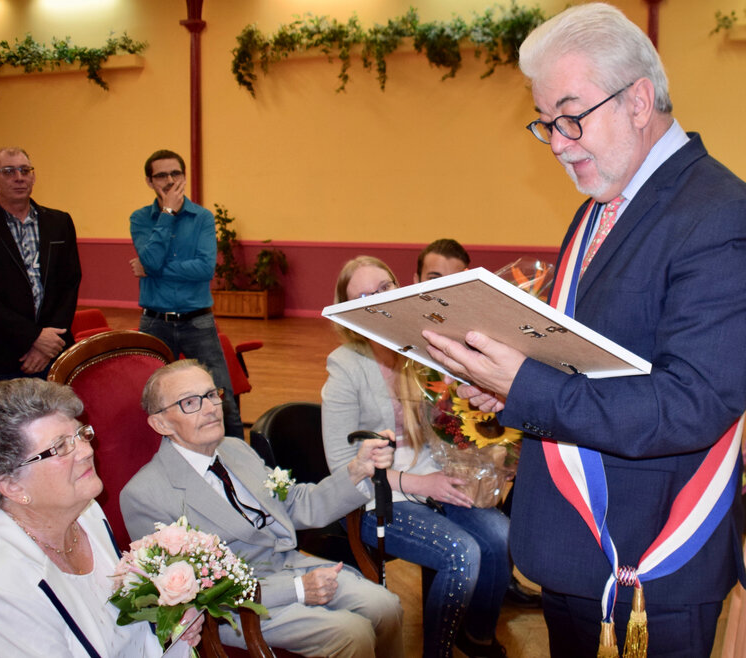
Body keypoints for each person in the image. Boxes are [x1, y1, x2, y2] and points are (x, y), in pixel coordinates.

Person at [423, 4, 746, 657]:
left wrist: (527, 388)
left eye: (571, 116)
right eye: (546, 124)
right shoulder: (601, 208)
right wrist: (500, 383)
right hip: (577, 549)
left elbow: (691, 406)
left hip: (648, 559)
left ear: (638, 100)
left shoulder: (718, 214)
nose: (560, 142)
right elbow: (584, 357)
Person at [120, 359, 404, 658]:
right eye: (190, 402)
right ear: (161, 422)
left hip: (291, 565)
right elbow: (191, 594)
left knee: (386, 606)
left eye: (211, 395)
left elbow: (294, 503)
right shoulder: (145, 495)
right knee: (351, 633)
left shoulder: (235, 449)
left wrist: (357, 471)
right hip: (238, 608)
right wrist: (296, 589)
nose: (210, 408)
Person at [322, 256, 511, 658]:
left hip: (433, 479)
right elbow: (342, 466)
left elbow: (451, 425)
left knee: (501, 536)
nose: (378, 300)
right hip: (377, 495)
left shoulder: (422, 352)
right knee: (463, 552)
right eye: (364, 296)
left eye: (385, 288)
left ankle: (475, 637)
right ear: (348, 311)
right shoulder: (344, 367)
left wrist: (477, 457)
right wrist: (422, 484)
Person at [0, 378, 202, 656]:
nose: (87, 451)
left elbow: (127, 630)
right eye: (60, 447)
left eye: (81, 434)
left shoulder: (84, 511)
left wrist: (170, 628)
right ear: (13, 486)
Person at [129, 149, 243, 439]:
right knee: (153, 400)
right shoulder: (141, 218)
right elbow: (151, 261)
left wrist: (151, 268)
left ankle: (240, 460)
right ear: (149, 181)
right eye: (161, 175)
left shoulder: (202, 217)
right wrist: (166, 213)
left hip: (198, 321)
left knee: (221, 395)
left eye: (175, 173)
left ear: (184, 176)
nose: (169, 180)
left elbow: (205, 269)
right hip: (154, 322)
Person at [0, 147, 81, 379]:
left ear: (33, 176)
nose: (19, 177)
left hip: (54, 349)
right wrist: (34, 337)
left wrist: (48, 342)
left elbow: (70, 283)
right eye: (8, 171)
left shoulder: (59, 221)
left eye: (25, 170)